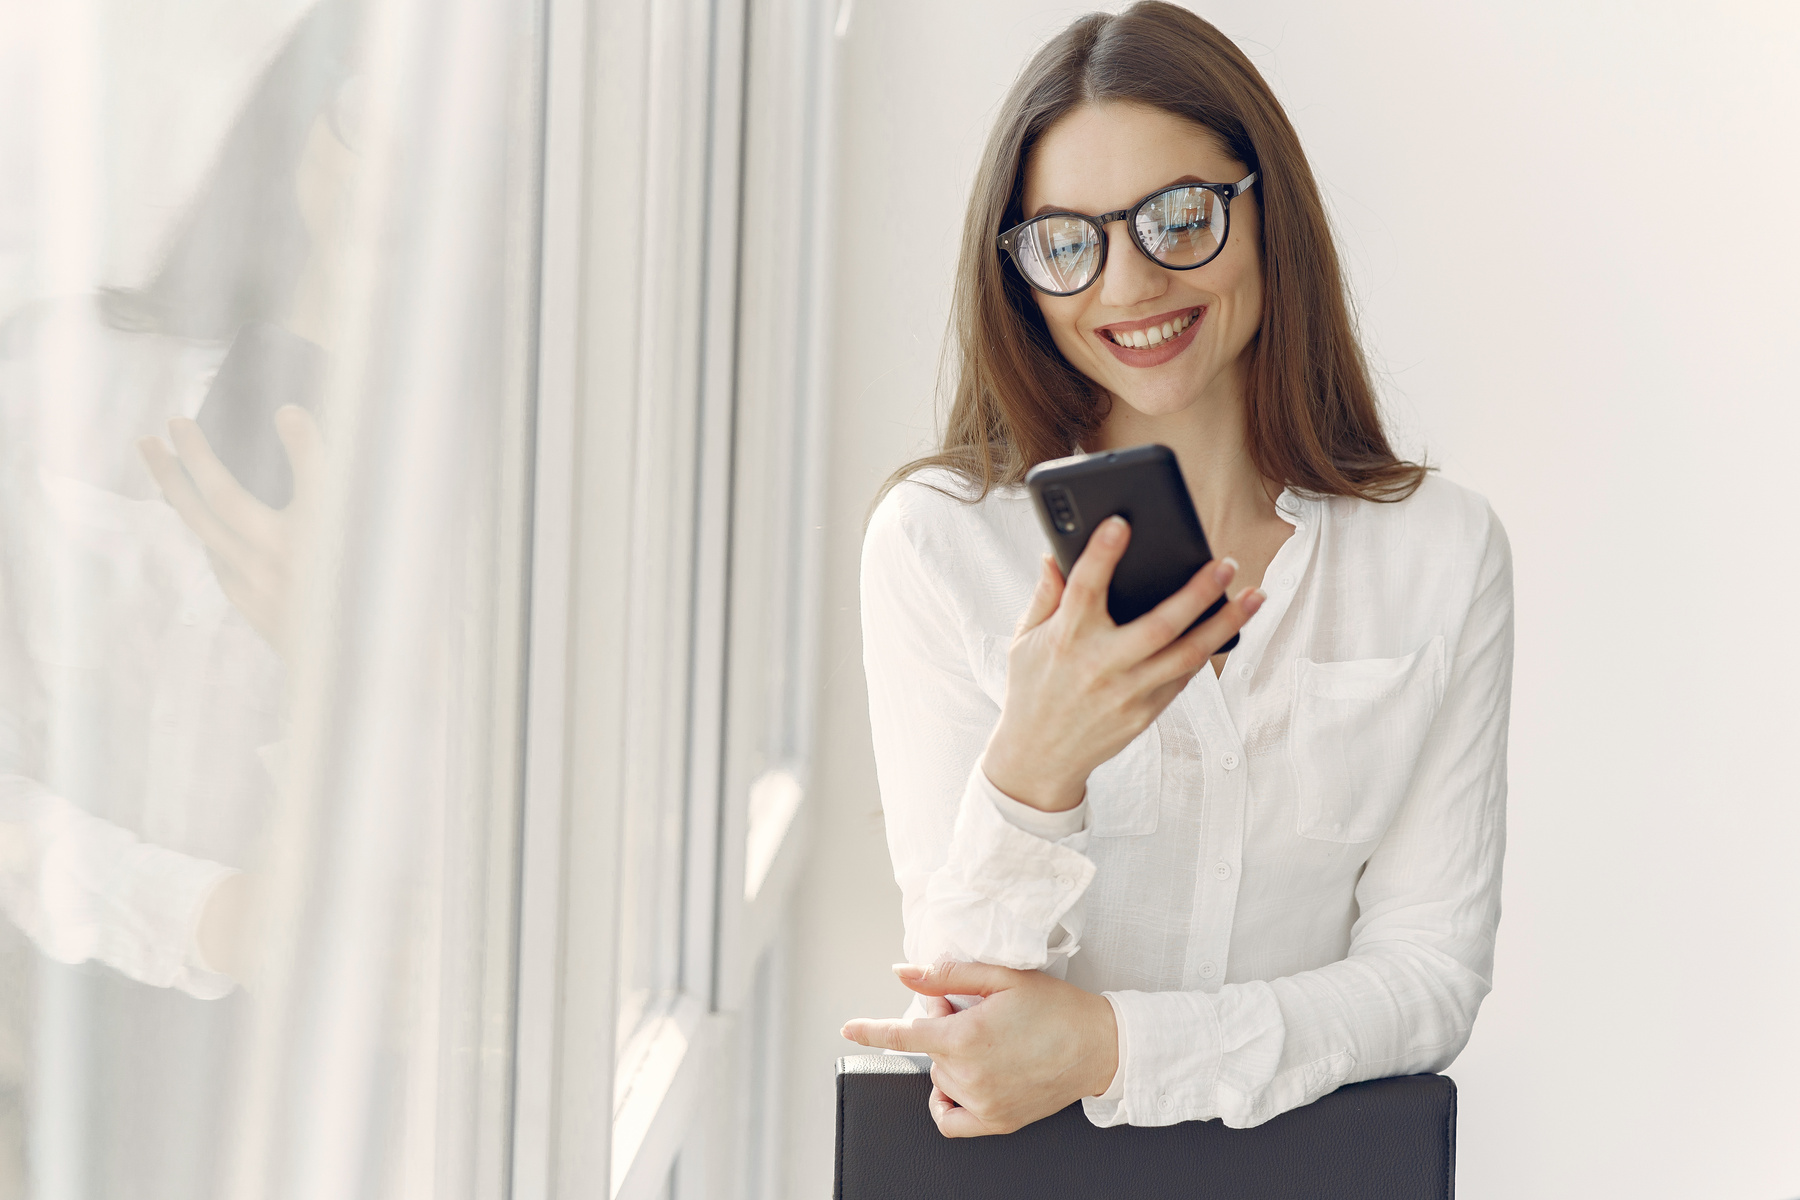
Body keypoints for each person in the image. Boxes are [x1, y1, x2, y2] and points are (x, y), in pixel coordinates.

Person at [841, 2, 1513, 1137]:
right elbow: (962, 1026)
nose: (1130, 284)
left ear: (1266, 211)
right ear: (1021, 271)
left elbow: (1429, 979)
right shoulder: (939, 546)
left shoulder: (1439, 553)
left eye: (1178, 217)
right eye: (1068, 240)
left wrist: (1114, 1048)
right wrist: (1033, 767)